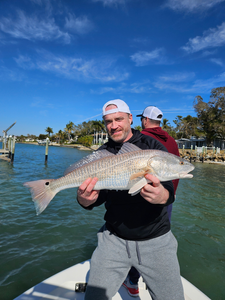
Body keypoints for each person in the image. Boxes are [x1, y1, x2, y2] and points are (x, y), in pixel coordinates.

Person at [77, 99, 184, 300]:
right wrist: (85, 200)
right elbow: (97, 198)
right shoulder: (102, 153)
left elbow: (169, 187)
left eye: (118, 119)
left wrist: (163, 195)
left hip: (156, 239)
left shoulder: (152, 145)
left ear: (130, 118)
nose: (113, 125)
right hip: (113, 238)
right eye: (108, 121)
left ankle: (131, 282)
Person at [123, 105, 181, 297]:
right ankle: (154, 279)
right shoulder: (171, 141)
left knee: (138, 242)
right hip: (166, 200)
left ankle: (132, 281)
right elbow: (176, 172)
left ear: (145, 120)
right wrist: (167, 196)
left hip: (141, 199)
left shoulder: (141, 139)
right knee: (158, 241)